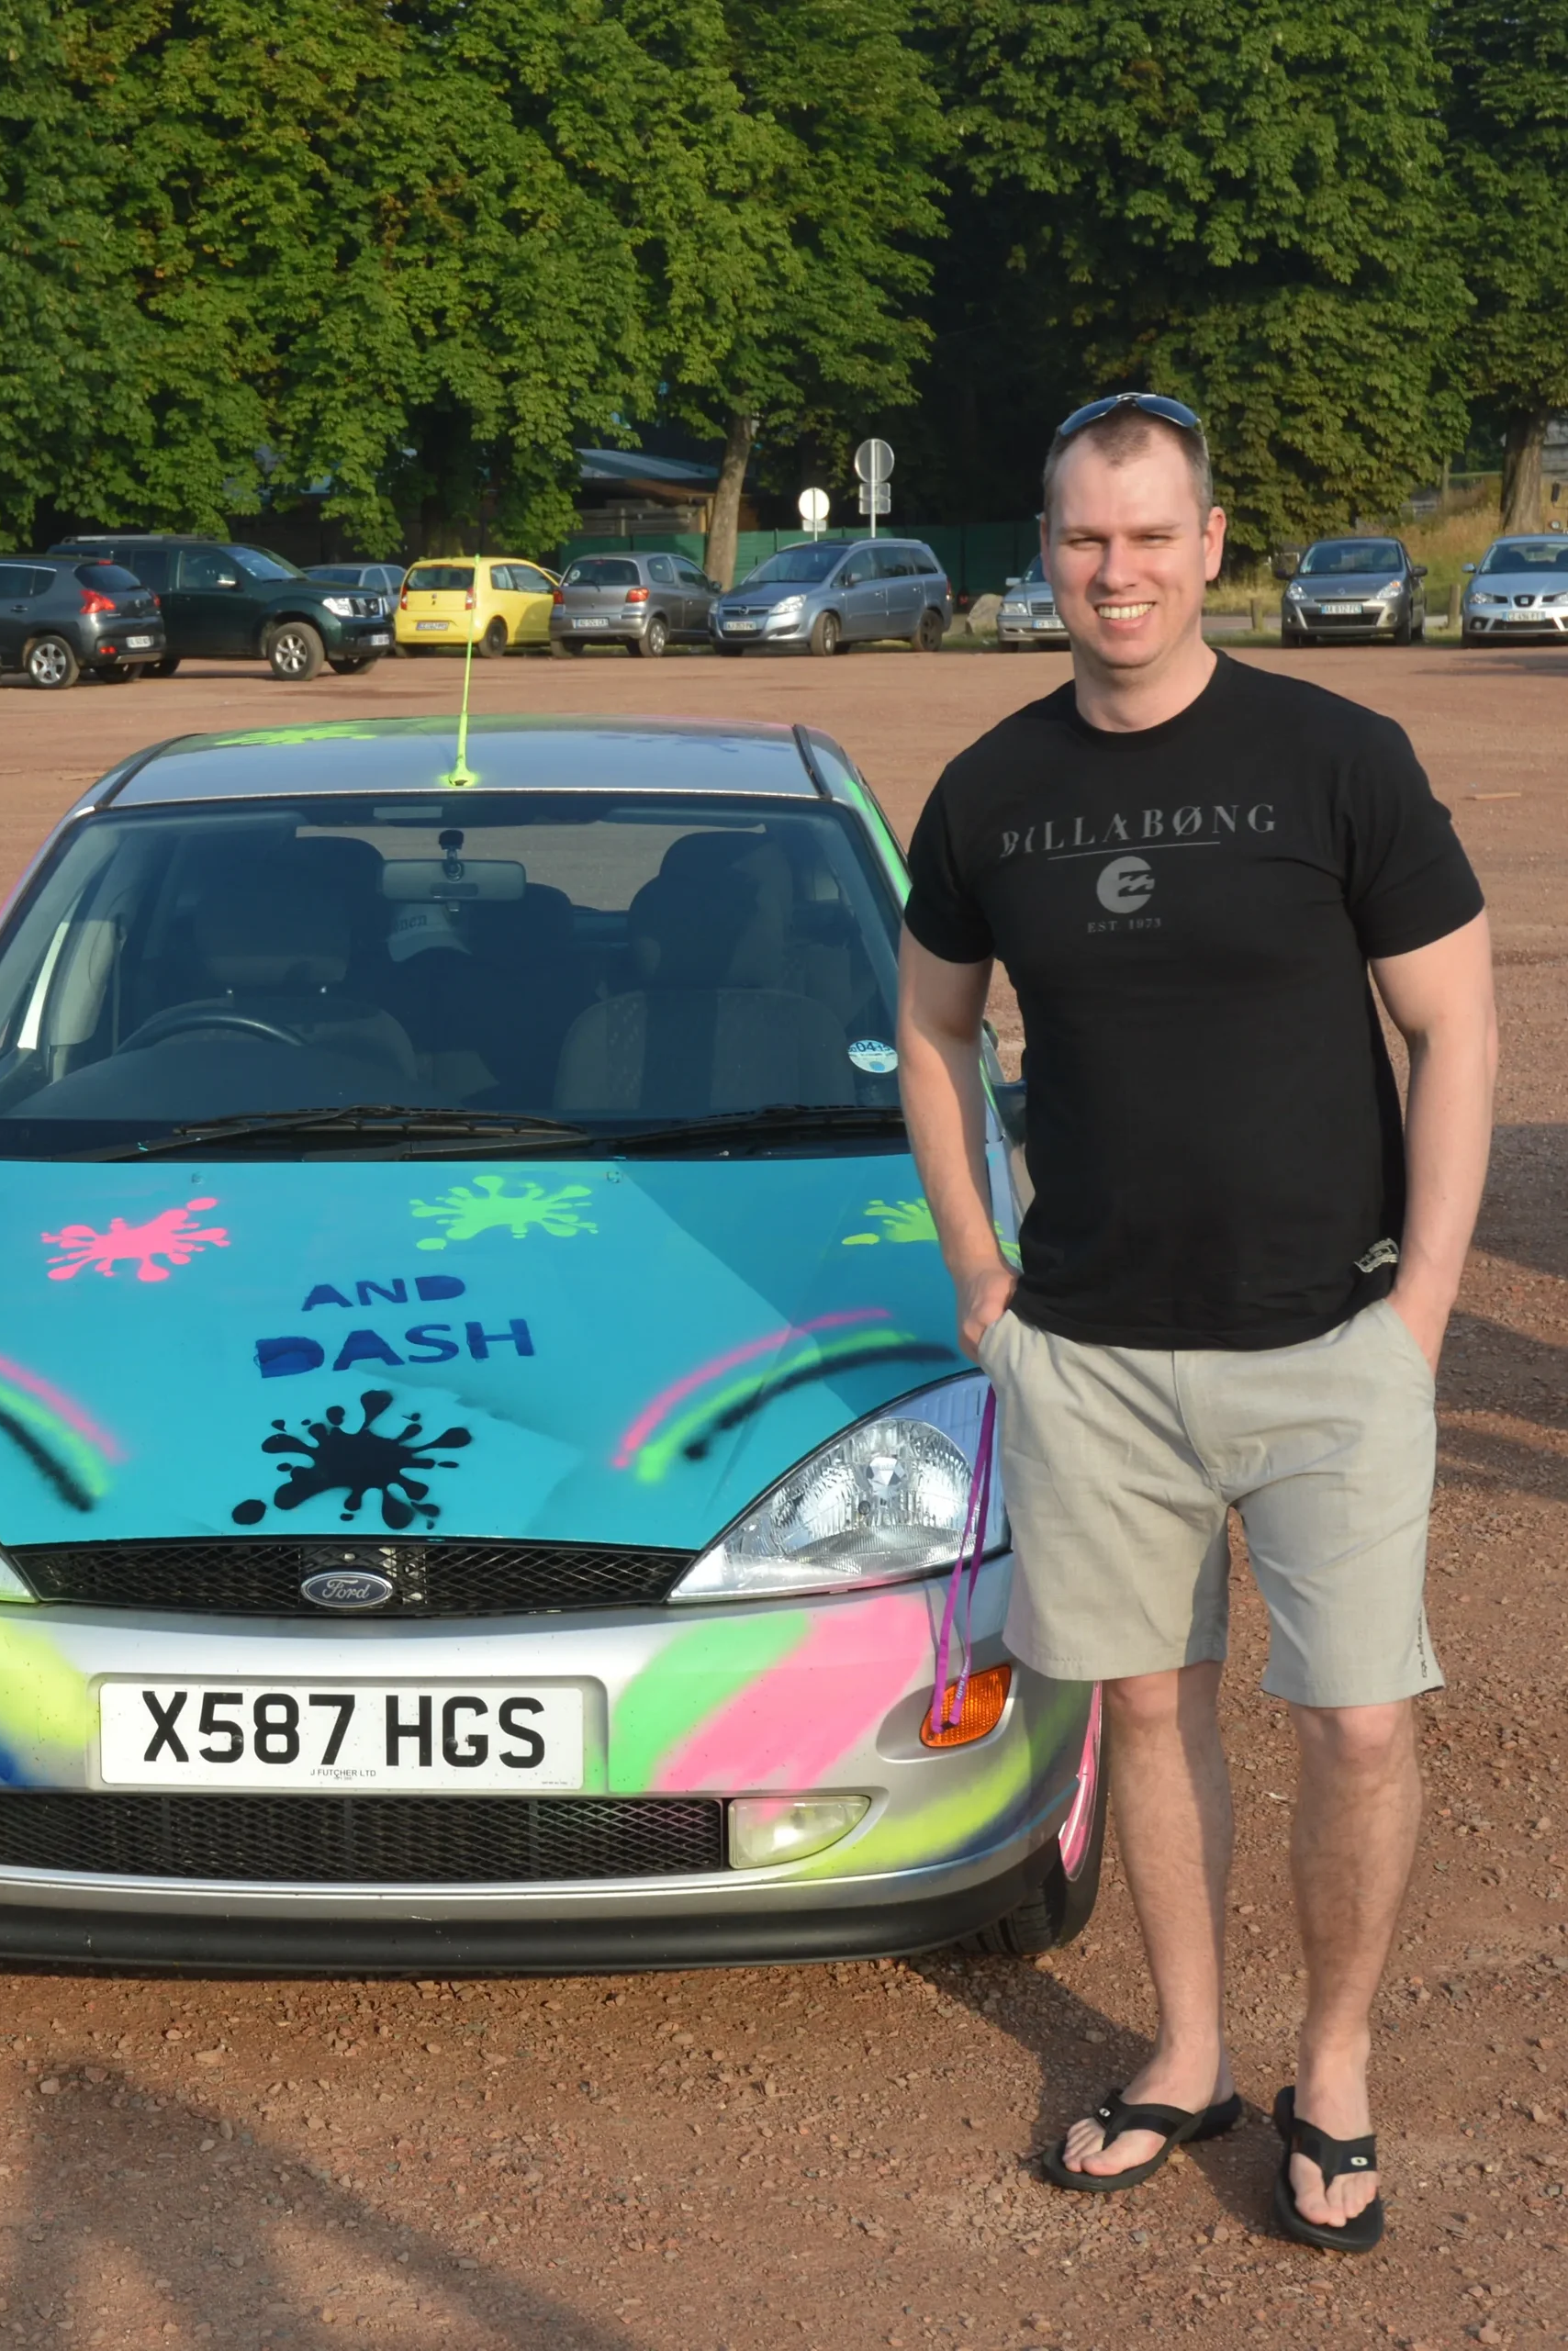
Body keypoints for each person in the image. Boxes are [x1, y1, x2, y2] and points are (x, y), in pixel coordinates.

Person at [896, 397, 1494, 2255]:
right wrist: (979, 1273)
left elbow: (1454, 1026)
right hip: (1090, 1349)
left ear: (1211, 544)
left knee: (1359, 1726)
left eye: (1151, 535)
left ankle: (1336, 2070)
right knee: (1148, 1709)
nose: (1117, 571)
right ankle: (1187, 2053)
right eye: (1084, 537)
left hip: (1329, 1343)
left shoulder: (1338, 756)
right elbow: (929, 1029)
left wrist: (1420, 1306)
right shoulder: (989, 788)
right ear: (1044, 552)